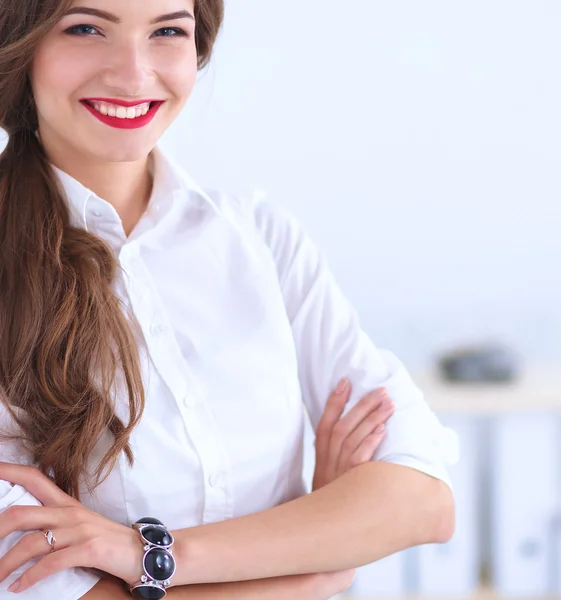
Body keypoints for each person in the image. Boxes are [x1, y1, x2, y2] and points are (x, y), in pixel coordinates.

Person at [0, 1, 458, 598]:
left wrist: (148, 555)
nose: (134, 73)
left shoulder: (261, 236)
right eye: (86, 28)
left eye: (167, 31)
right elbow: (33, 583)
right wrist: (312, 568)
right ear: (21, 42)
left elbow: (422, 498)